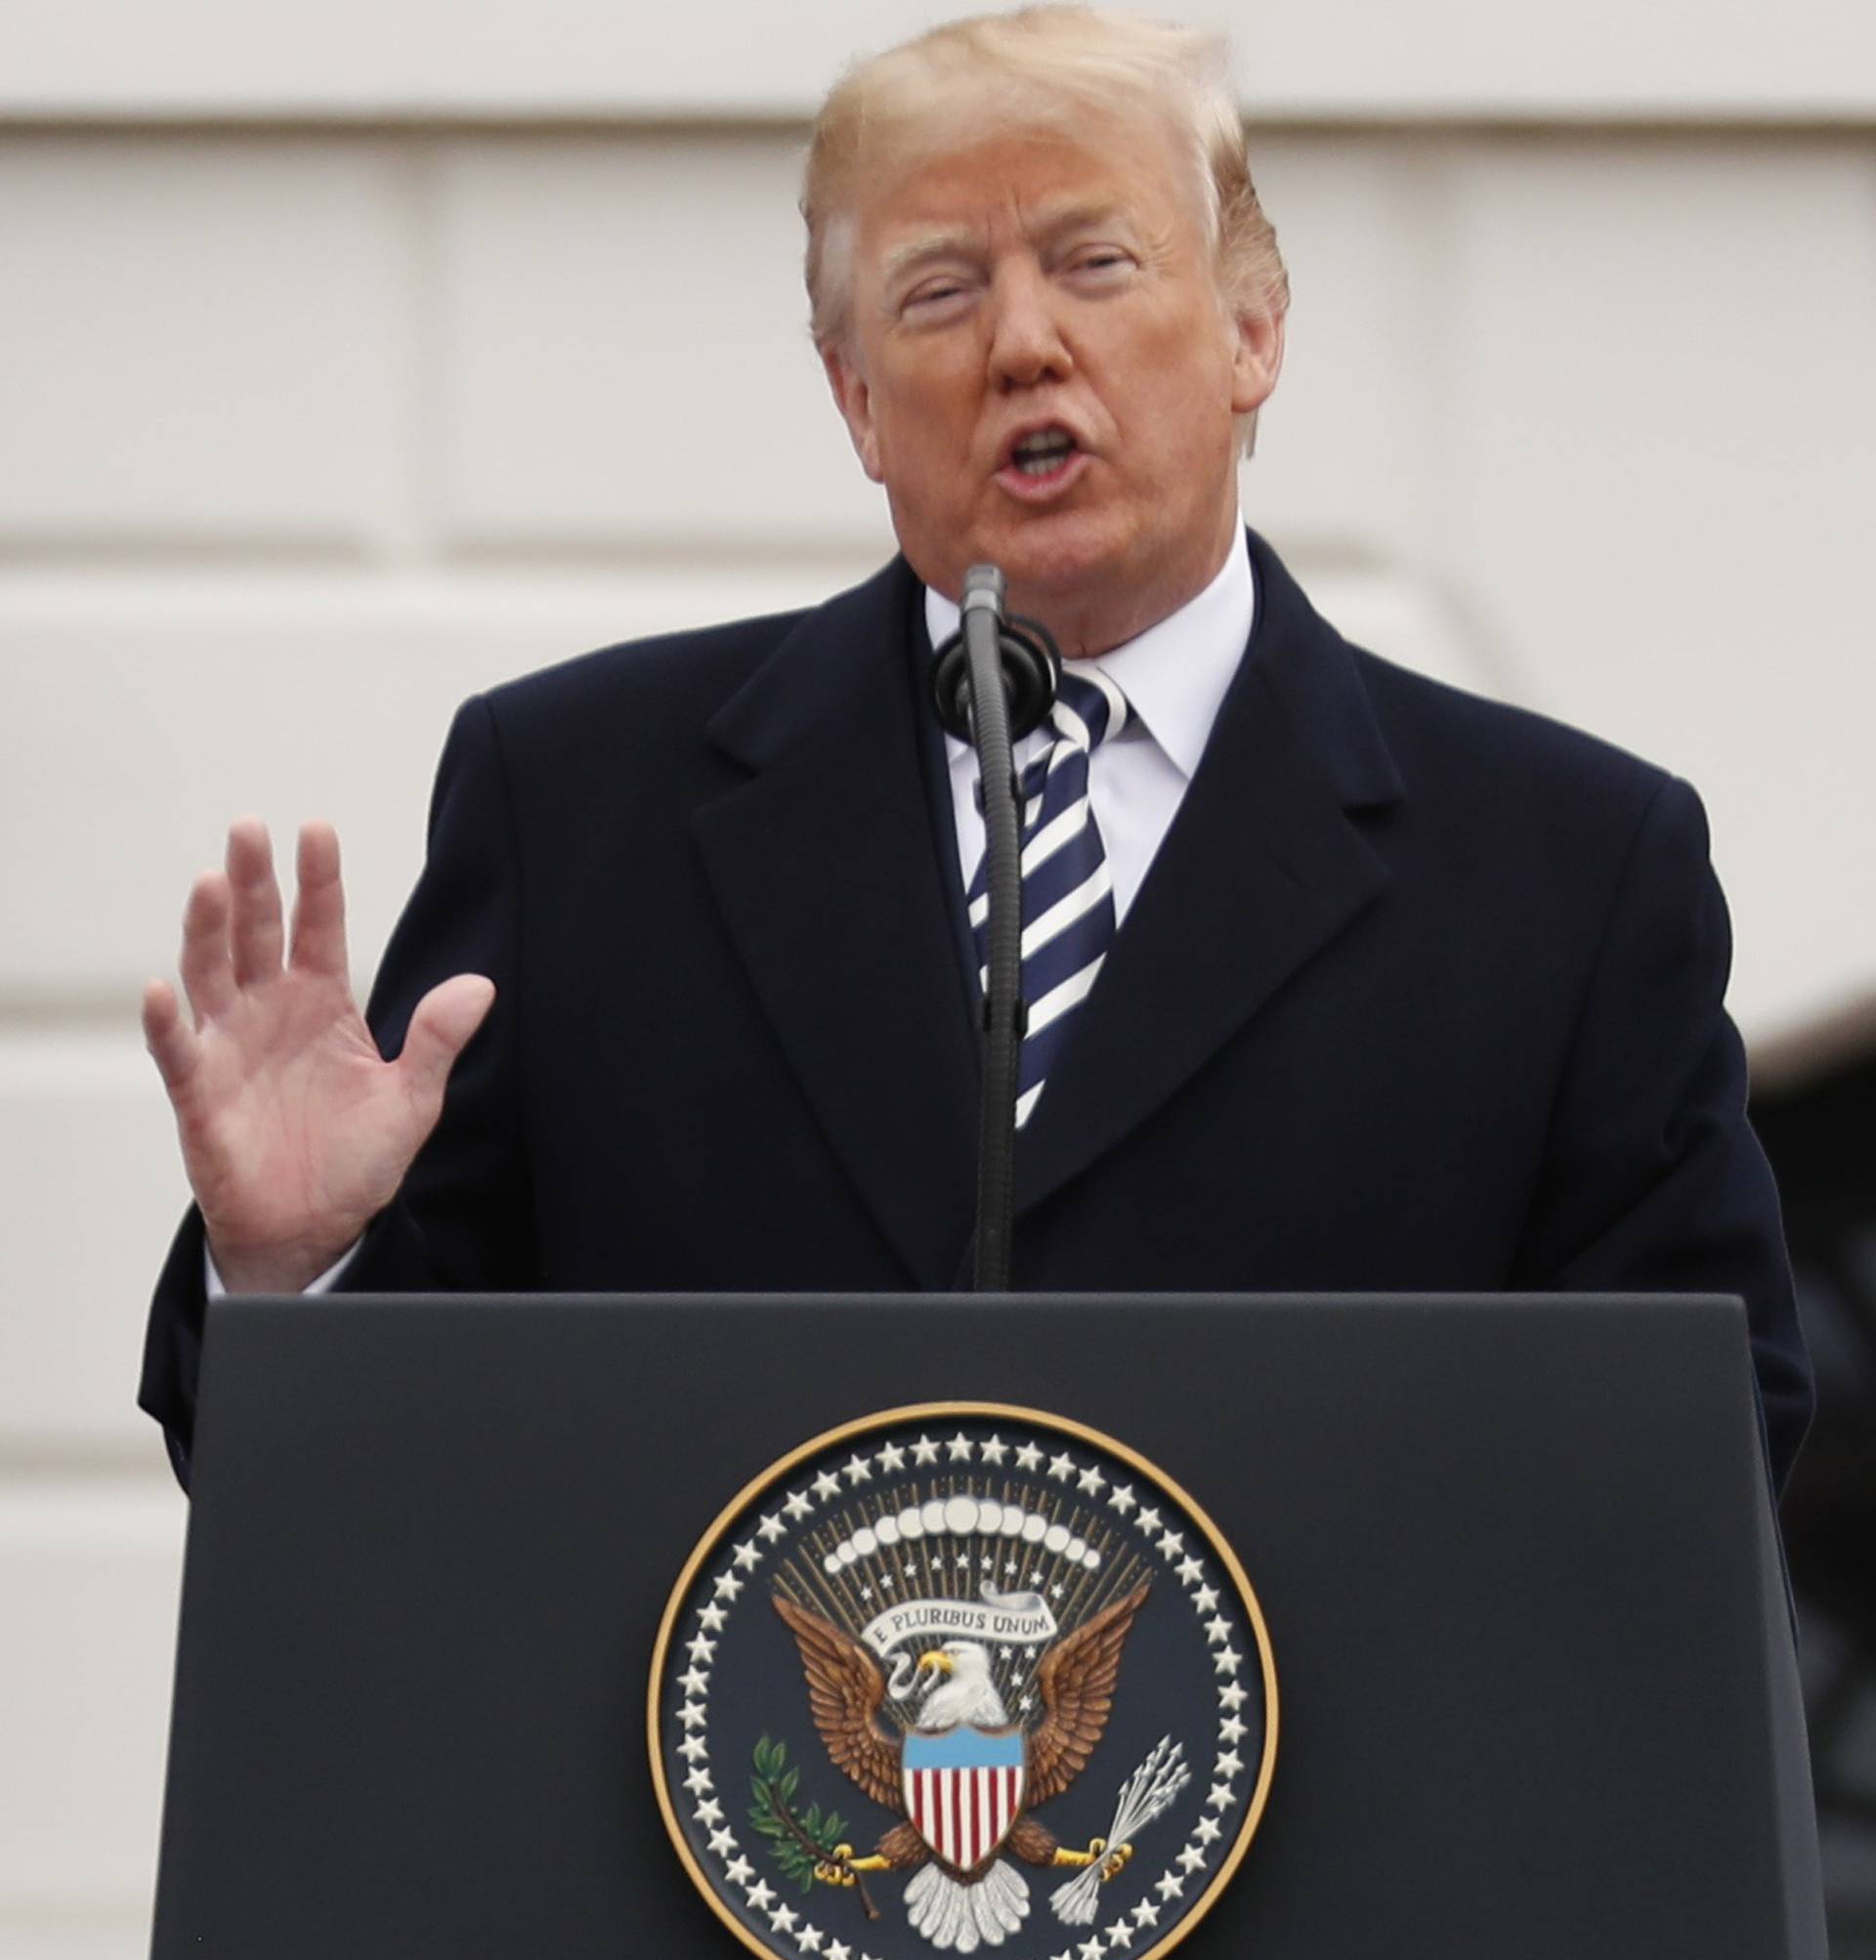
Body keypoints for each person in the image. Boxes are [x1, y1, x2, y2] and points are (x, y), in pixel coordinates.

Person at [138, 5, 1811, 1490]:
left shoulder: (1565, 871)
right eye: (940, 291)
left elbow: (1697, 1442)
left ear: (1252, 331)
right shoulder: (582, 807)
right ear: (857, 399)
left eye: (1094, 262)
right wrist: (296, 1269)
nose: (1023, 344)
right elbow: (373, 1484)